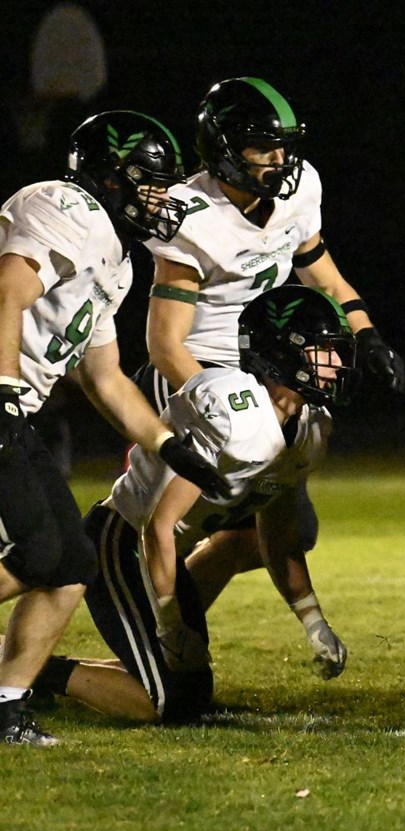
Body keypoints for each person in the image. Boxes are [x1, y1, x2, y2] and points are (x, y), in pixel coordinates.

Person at [140, 77, 405, 640]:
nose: (280, 160)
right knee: (177, 521)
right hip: (199, 371)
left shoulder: (298, 189)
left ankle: (166, 628)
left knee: (283, 528)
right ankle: (130, 606)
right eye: (263, 147)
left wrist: (368, 336)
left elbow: (323, 274)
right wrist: (220, 406)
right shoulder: (191, 214)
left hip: (264, 370)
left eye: (283, 145)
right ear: (224, 149)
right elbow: (165, 343)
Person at [0, 111, 227, 744]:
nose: (163, 198)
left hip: (17, 409)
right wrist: (2, 389)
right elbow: (8, 291)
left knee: (71, 563)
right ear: (109, 177)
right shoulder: (65, 206)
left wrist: (170, 447)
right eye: (152, 182)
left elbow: (104, 378)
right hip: (3, 401)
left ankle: (5, 705)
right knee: (40, 553)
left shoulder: (117, 260)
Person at [31, 285, 354, 723]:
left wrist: (314, 622)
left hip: (160, 556)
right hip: (123, 544)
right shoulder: (232, 411)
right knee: (168, 703)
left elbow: (278, 537)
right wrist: (170, 624)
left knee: (190, 692)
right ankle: (30, 669)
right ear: (283, 352)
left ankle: (39, 667)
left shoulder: (312, 428)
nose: (337, 362)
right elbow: (158, 525)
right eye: (324, 349)